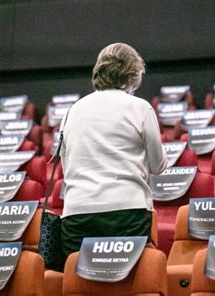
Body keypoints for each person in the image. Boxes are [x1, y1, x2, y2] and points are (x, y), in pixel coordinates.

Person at [59, 43, 167, 256]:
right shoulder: (141, 107)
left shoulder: (72, 111)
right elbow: (157, 166)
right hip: (126, 212)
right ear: (133, 75)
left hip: (76, 213)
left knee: (81, 287)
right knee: (127, 287)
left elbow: (66, 167)